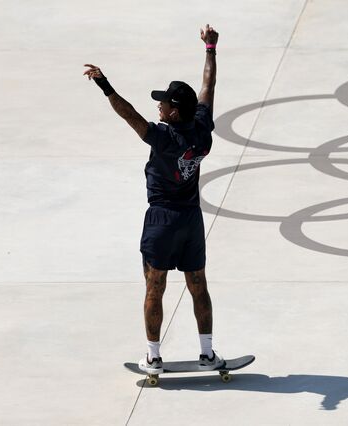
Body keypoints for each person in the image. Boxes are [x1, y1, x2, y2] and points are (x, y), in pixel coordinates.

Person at [83, 24, 222, 375]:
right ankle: (207, 353)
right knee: (198, 284)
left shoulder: (163, 138)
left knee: (154, 285)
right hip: (191, 220)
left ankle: (153, 357)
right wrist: (209, 48)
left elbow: (129, 115)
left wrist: (105, 85)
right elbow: (208, 87)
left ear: (174, 112)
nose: (158, 105)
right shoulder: (202, 129)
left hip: (162, 220)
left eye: (162, 102)